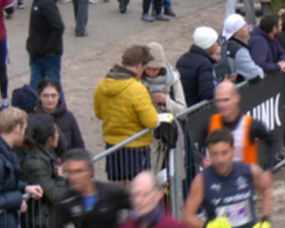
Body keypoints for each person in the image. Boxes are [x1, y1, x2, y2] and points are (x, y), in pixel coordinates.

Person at [93, 45, 160, 182]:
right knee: (138, 193)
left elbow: (99, 114)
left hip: (112, 147)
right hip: (136, 148)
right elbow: (151, 121)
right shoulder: (137, 89)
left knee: (119, 192)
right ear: (139, 65)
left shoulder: (102, 84)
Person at [205, 81, 277, 168]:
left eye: (226, 100)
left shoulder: (251, 124)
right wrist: (202, 159)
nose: (222, 105)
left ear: (236, 98)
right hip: (220, 180)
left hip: (246, 179)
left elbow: (272, 141)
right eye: (218, 101)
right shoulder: (211, 122)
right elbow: (193, 148)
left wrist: (270, 168)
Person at [25, 0, 64, 88]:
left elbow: (58, 26)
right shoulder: (39, 0)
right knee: (35, 86)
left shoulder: (45, 2)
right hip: (37, 52)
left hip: (47, 55)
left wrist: (49, 48)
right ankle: (34, 106)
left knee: (53, 85)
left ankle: (60, 106)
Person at [34, 79, 84, 159]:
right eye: (45, 95)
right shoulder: (34, 118)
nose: (50, 100)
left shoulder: (68, 117)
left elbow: (78, 145)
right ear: (40, 96)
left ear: (59, 96)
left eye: (53, 95)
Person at [176, 26, 221, 107]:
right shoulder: (204, 64)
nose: (217, 44)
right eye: (215, 42)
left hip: (184, 108)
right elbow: (207, 93)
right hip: (197, 112)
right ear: (208, 45)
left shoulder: (182, 59)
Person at [141, 42, 187, 116]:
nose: (151, 73)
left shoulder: (173, 79)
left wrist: (166, 102)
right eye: (147, 69)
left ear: (161, 67)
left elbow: (183, 111)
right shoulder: (138, 80)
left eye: (155, 69)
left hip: (168, 125)